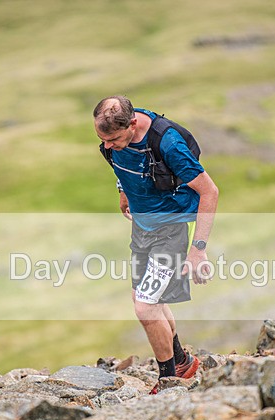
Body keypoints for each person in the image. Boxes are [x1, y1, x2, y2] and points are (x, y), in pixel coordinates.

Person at [93, 95, 219, 394]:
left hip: (170, 231)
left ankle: (167, 380)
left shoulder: (168, 144)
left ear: (133, 123)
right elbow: (119, 163)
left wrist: (198, 250)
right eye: (102, 139)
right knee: (152, 300)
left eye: (113, 139)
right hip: (141, 229)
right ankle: (182, 362)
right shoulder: (115, 141)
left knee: (145, 308)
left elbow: (210, 192)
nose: (107, 146)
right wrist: (124, 192)